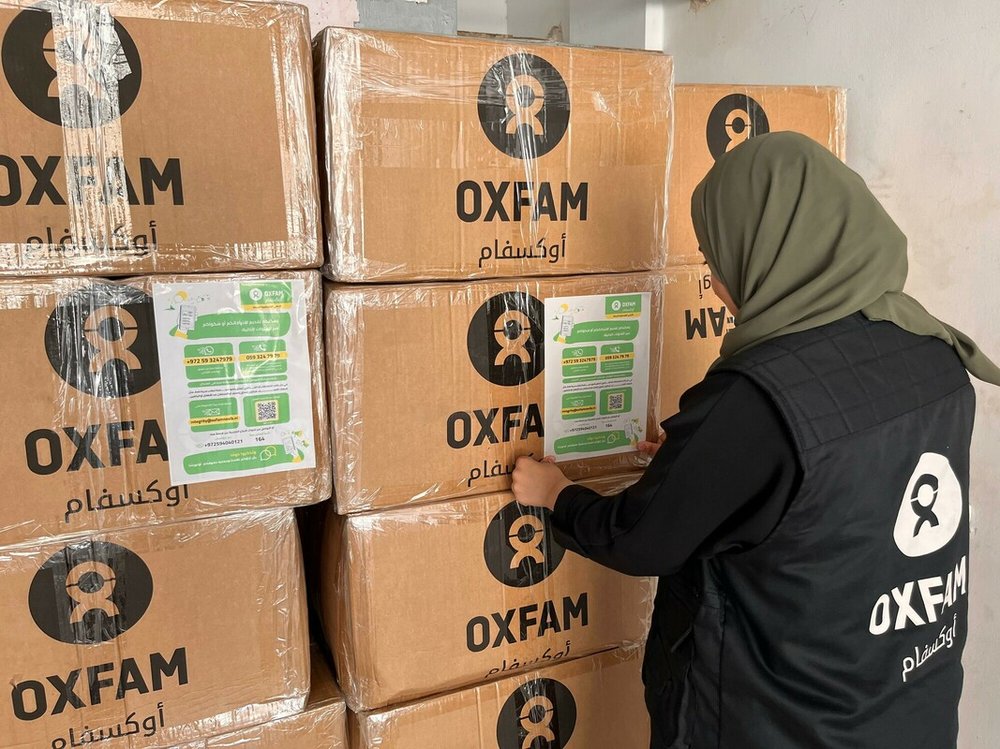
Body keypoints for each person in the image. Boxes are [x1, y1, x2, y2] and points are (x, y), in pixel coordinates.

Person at [511, 132, 1000, 749]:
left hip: (779, 722)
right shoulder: (933, 356)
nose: (714, 284)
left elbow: (644, 539)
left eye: (716, 261)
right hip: (909, 708)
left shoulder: (756, 400)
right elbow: (834, 492)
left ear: (767, 246)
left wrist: (556, 495)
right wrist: (708, 470)